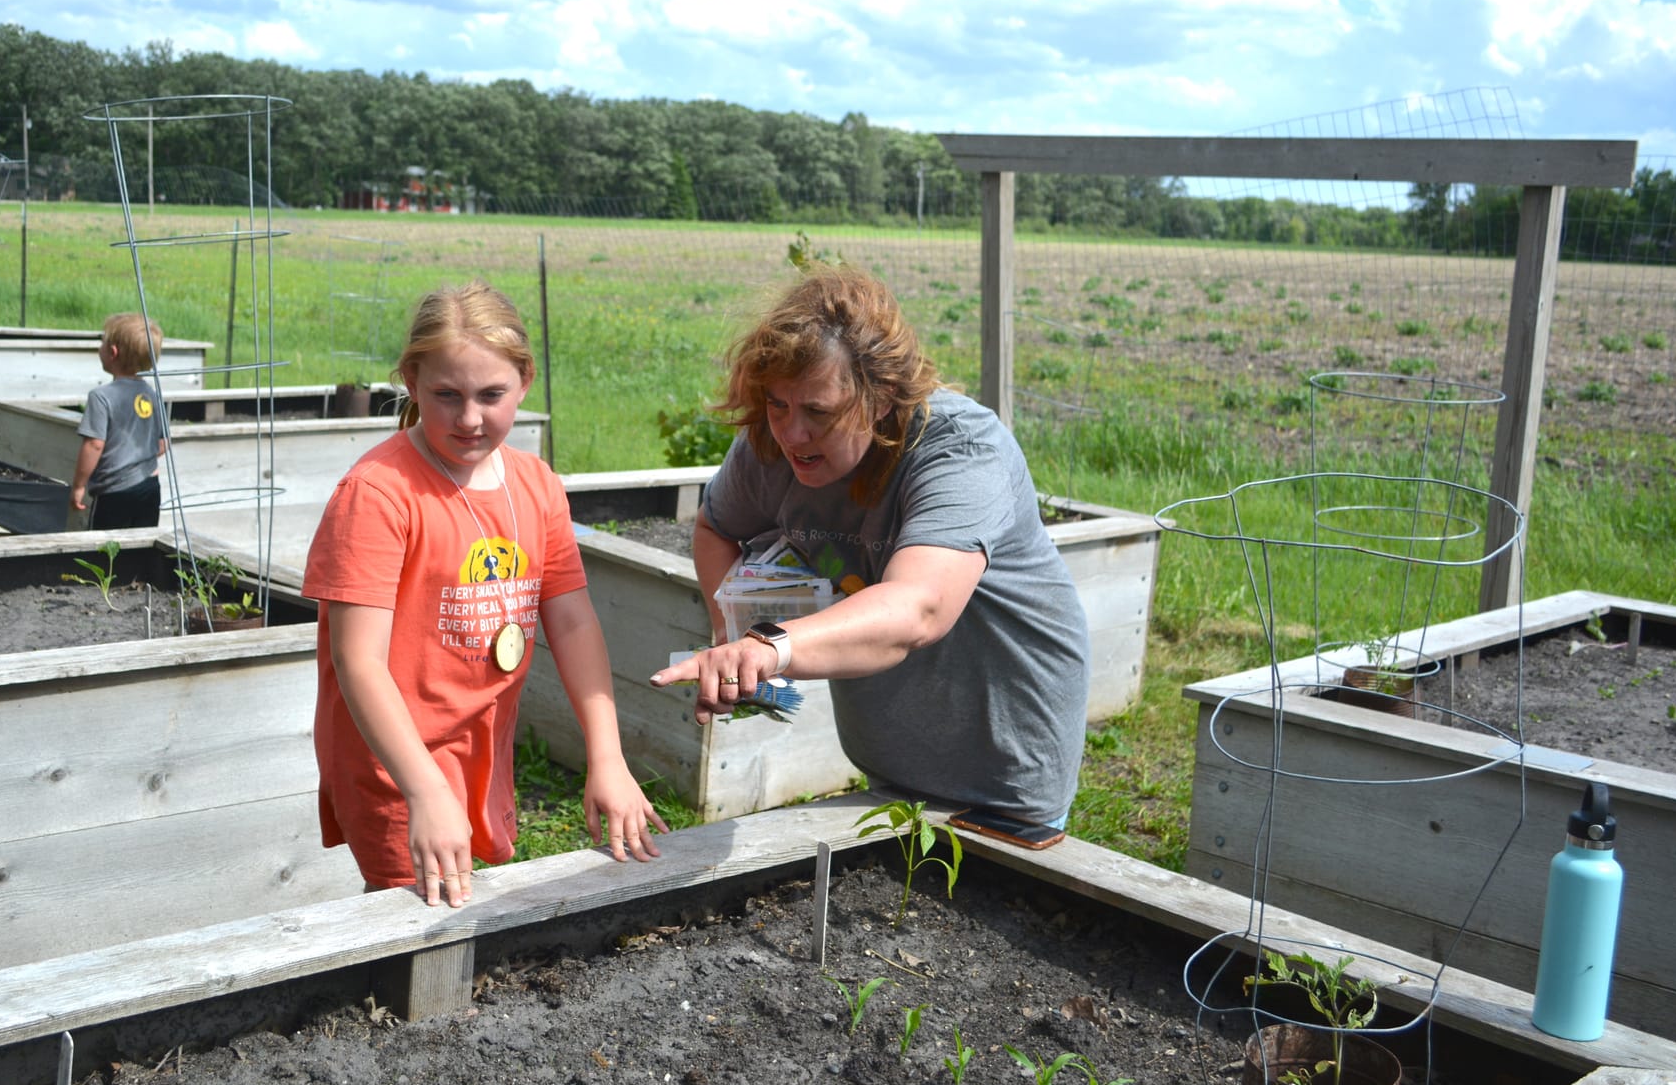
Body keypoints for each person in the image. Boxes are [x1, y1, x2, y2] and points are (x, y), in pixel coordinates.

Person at [651, 264, 1091, 831]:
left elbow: (917, 607)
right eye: (777, 404)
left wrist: (770, 648)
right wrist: (732, 636)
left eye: (818, 411)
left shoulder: (959, 451)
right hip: (888, 757)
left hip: (1004, 768)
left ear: (880, 397)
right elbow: (716, 528)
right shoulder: (771, 444)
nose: (791, 433)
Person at [304, 281, 666, 906]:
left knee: (464, 906)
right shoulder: (379, 493)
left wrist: (606, 756)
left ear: (524, 381)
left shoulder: (537, 485)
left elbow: (573, 621)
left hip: (484, 744)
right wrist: (422, 788)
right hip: (396, 757)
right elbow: (357, 661)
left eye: (491, 395)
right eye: (446, 396)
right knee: (413, 912)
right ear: (412, 381)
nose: (469, 419)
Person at [69, 312, 168, 529]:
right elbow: (162, 444)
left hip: (114, 492)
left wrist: (79, 486)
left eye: (102, 342)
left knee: (104, 551)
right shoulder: (151, 394)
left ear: (112, 352)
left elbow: (94, 445)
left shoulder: (101, 397)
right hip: (150, 486)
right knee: (140, 548)